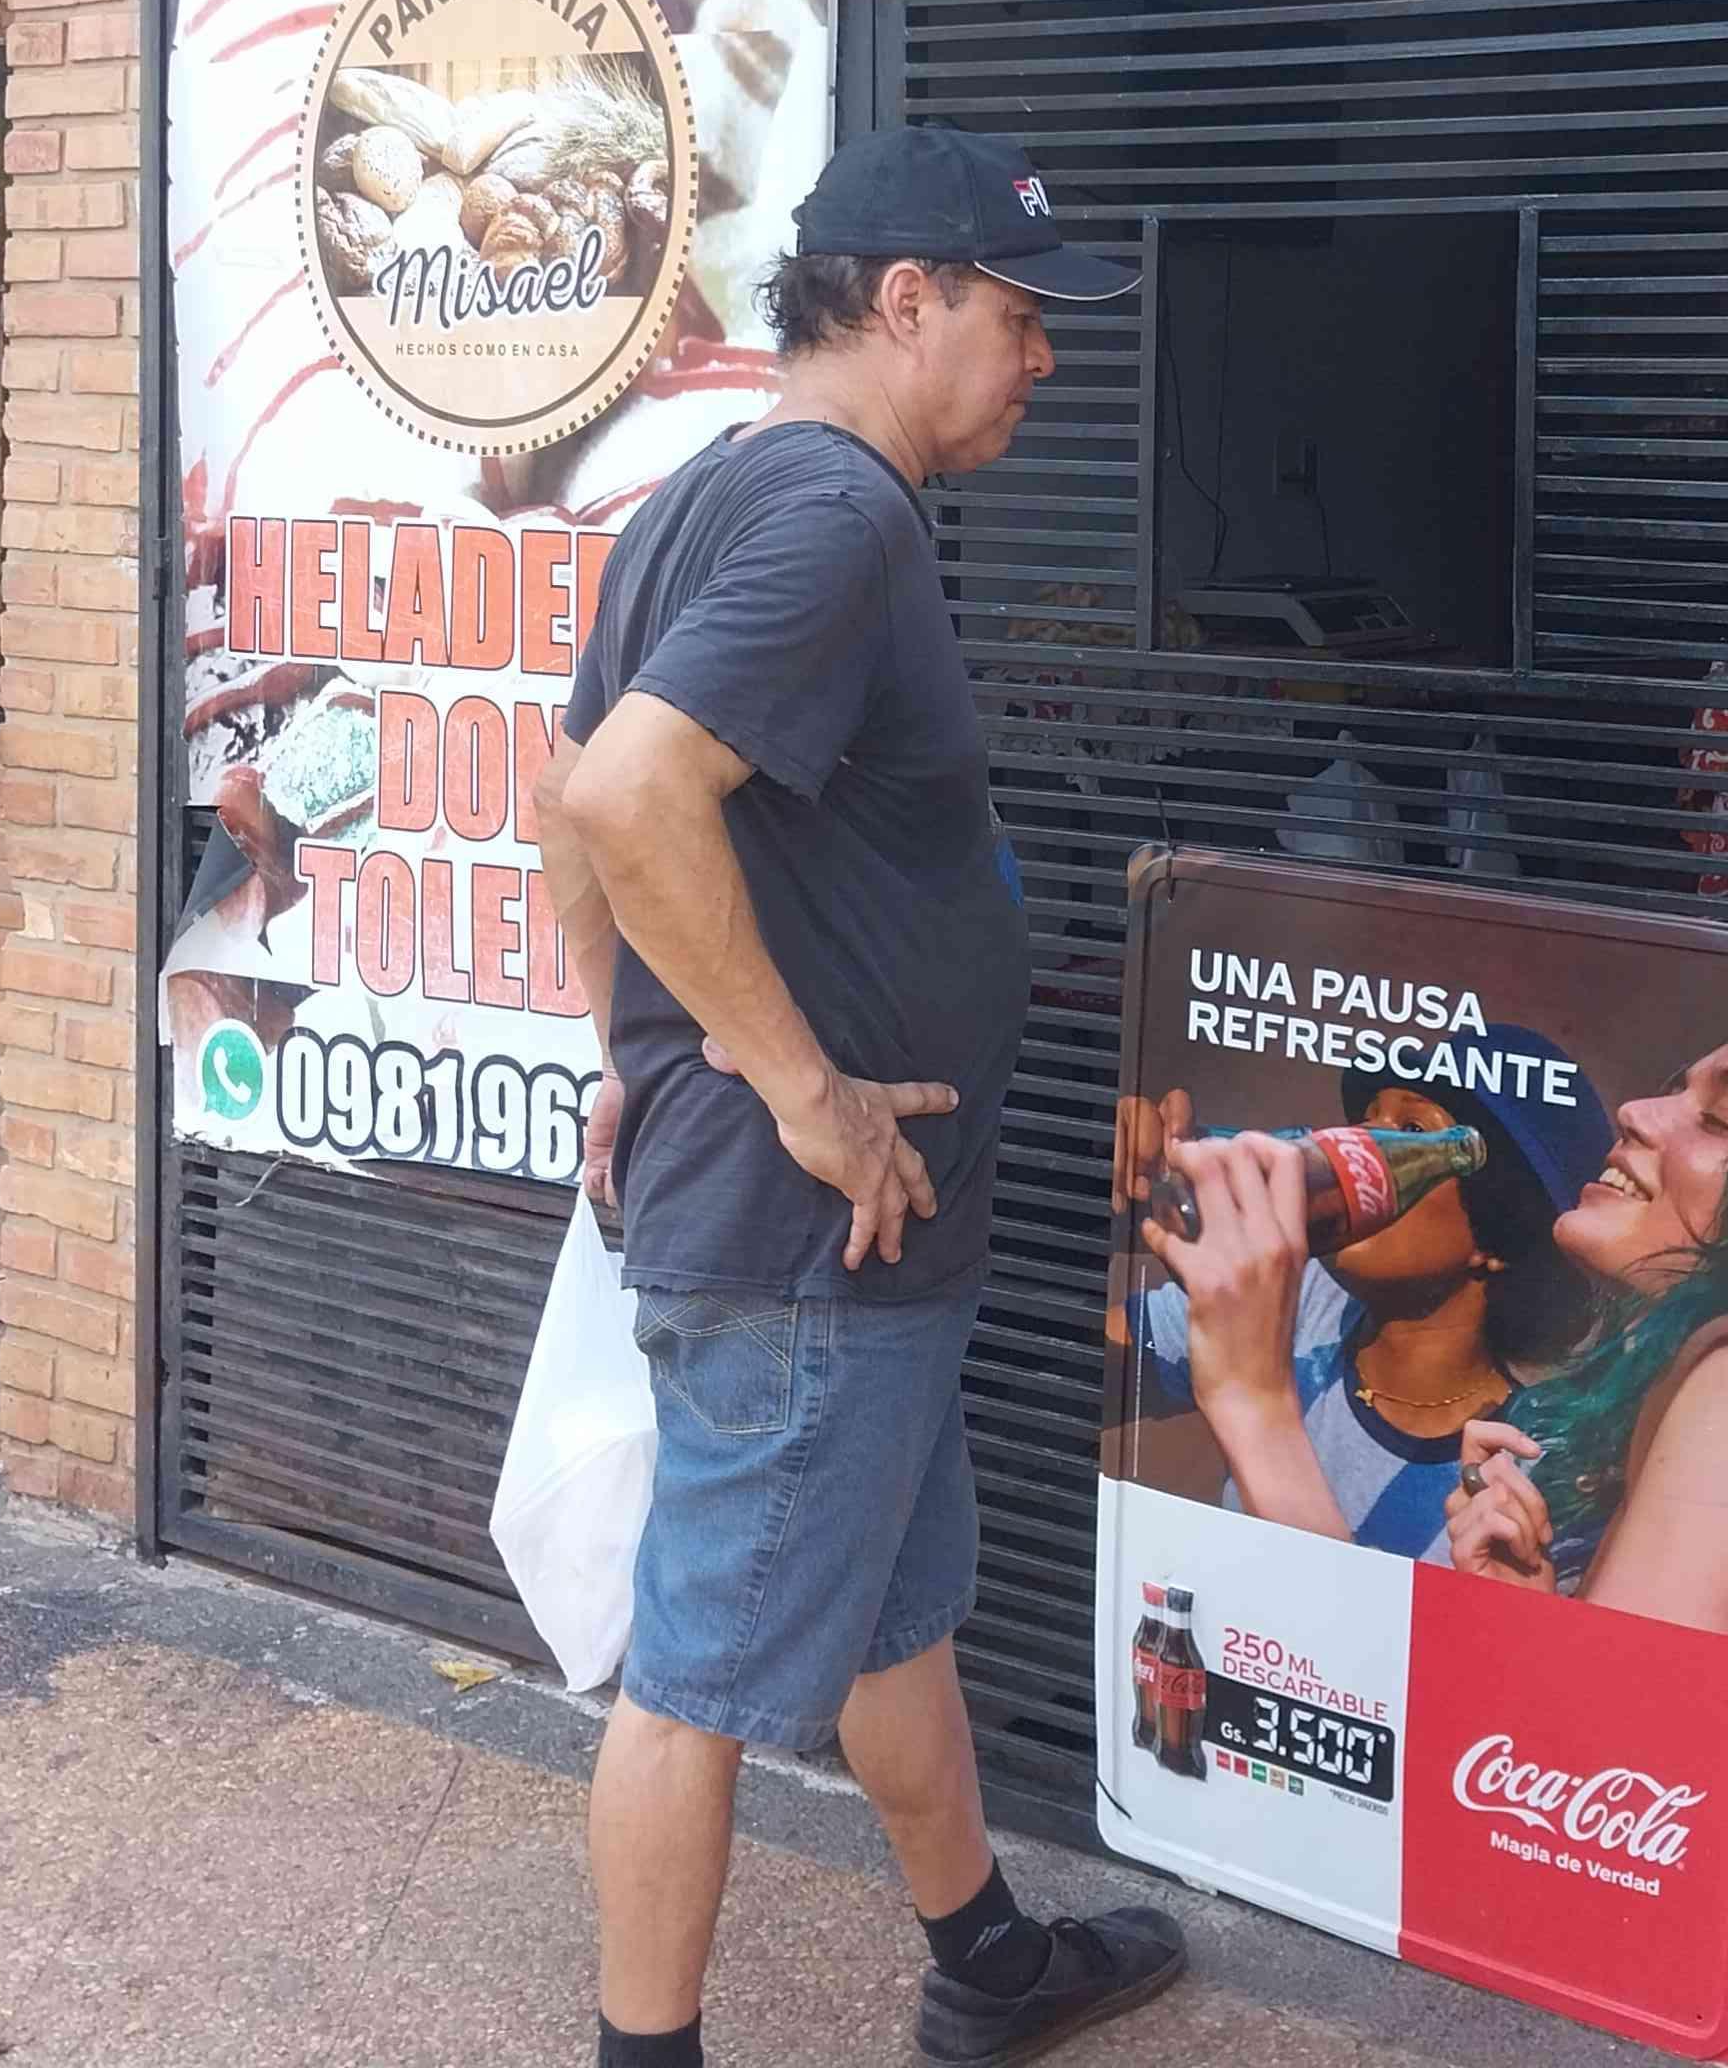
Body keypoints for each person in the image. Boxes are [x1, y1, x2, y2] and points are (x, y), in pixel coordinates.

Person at [533, 126, 1189, 2068]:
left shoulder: (711, 492)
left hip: (830, 1236)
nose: (1044, 357)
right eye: (1021, 315)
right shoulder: (837, 516)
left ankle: (983, 1963)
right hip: (807, 1230)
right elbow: (623, 793)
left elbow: (569, 795)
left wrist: (631, 1045)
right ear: (906, 301)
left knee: (892, 1607)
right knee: (697, 1678)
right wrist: (794, 1085)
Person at [1107, 1040, 1614, 1553]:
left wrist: (1254, 1395)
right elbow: (1077, 1377)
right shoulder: (1302, 1294)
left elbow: (1336, 1606)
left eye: (1411, 1133)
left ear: (1499, 1234)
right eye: (1367, 1120)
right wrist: (1099, 1193)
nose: (1357, 1145)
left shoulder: (1529, 1473)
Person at [1441, 1025, 1728, 1642]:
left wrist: (1264, 1404)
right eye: (1675, 1089)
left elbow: (1620, 1706)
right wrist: (1527, 1608)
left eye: (1718, 1120)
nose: (1634, 1112)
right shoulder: (1680, 1387)